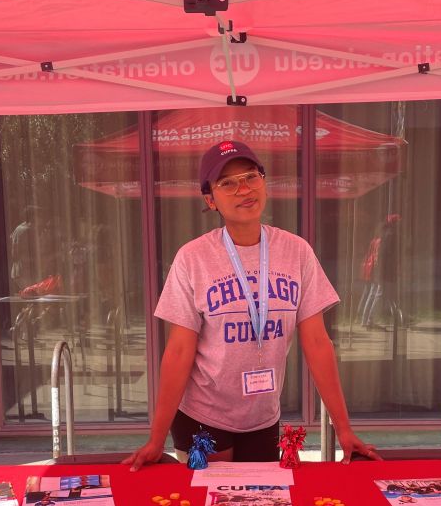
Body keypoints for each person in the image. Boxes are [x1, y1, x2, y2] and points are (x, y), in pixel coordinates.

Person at [125, 140, 382, 469]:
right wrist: (156, 439)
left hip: (262, 417)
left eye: (250, 176)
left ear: (264, 182)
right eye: (227, 183)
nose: (243, 189)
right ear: (210, 199)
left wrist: (344, 430)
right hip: (203, 416)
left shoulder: (296, 252)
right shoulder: (193, 258)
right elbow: (178, 351)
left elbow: (317, 343)